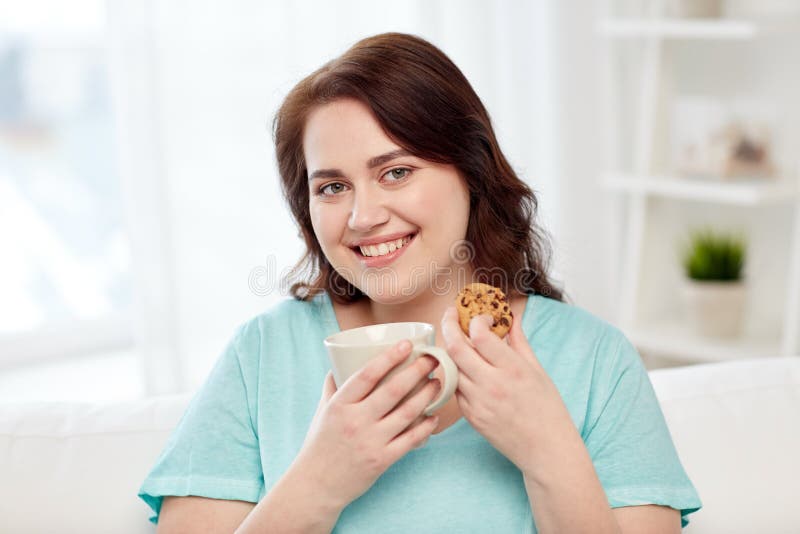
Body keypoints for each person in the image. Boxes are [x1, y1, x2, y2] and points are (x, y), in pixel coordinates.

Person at [139, 32, 701, 533]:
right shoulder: (260, 356)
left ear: (472, 171)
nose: (362, 217)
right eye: (331, 187)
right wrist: (318, 482)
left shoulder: (596, 361)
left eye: (396, 172)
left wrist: (549, 451)